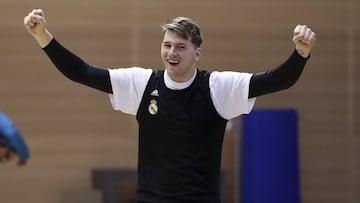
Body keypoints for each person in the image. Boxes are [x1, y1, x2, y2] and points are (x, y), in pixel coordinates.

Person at [24, 8, 316, 203]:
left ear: (197, 53)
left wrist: (300, 53)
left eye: (180, 47)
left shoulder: (217, 87)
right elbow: (82, 72)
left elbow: (278, 80)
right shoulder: (142, 84)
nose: (171, 53)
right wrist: (43, 37)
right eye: (166, 45)